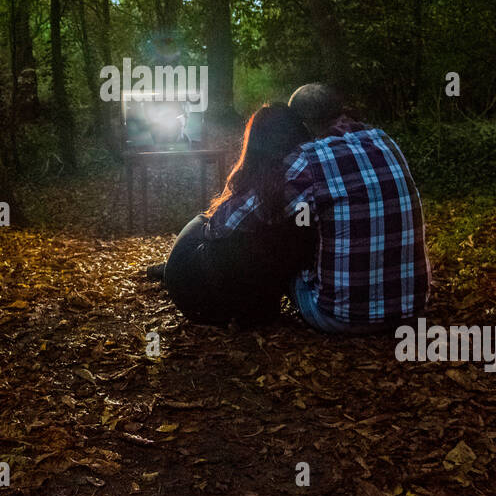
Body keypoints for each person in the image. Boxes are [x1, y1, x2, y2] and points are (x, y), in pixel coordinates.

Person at [214, 83, 430, 333]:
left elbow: (228, 223)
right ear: (341, 112)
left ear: (300, 125)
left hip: (340, 317)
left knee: (278, 240)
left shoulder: (307, 159)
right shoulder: (385, 141)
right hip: (411, 310)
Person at [147, 105, 316, 327]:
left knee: (212, 223)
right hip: (194, 278)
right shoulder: (290, 178)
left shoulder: (271, 178)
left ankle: (166, 268)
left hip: (195, 295)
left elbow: (220, 229)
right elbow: (220, 229)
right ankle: (166, 268)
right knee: (213, 226)